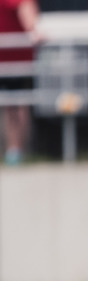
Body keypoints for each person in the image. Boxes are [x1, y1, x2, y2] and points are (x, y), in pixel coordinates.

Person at [0, 0, 39, 165]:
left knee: (14, 107)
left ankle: (15, 151)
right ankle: (13, 151)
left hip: (14, 62)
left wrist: (34, 30)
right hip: (8, 60)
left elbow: (27, 12)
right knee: (12, 107)